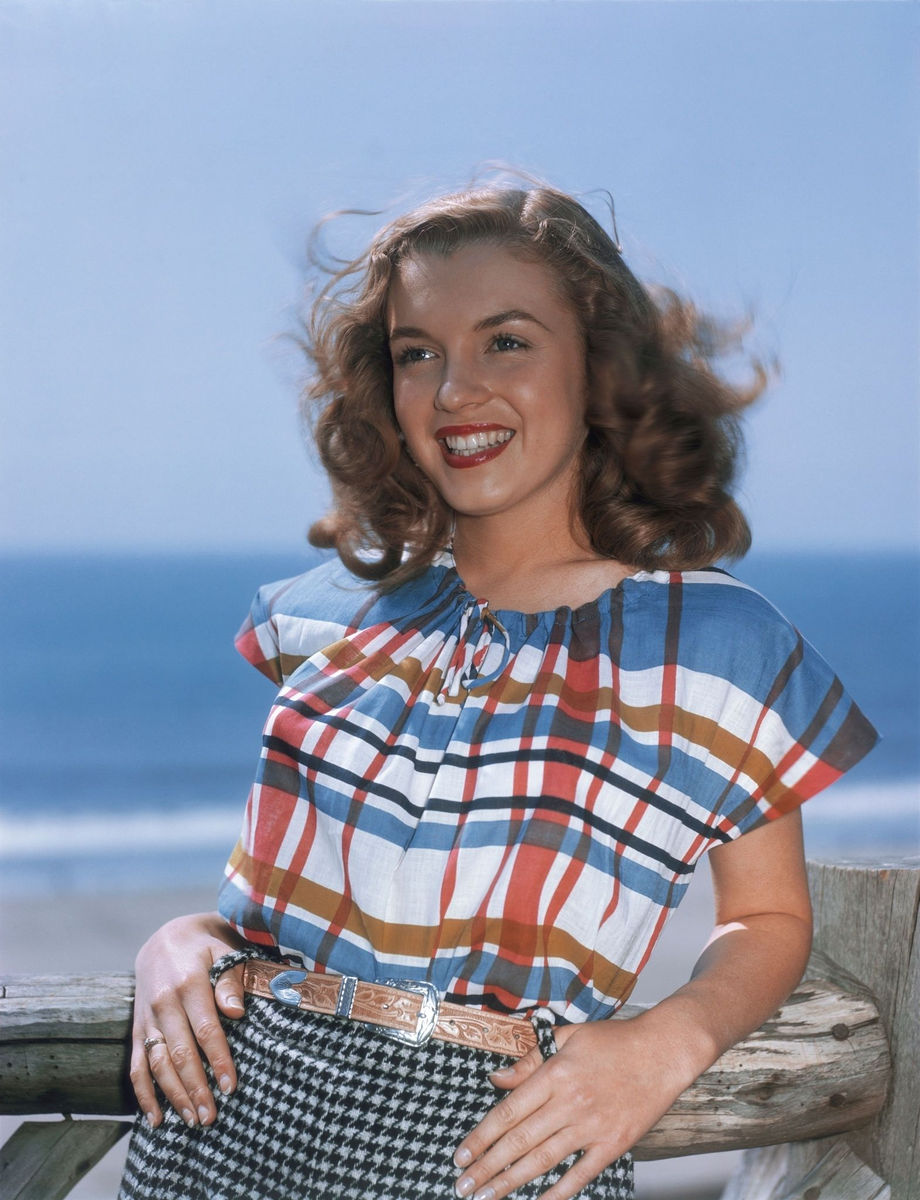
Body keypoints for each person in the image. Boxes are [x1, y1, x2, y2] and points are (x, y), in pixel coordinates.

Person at [118, 173, 881, 1200]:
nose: (452, 391)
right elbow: (283, 894)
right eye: (416, 353)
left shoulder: (716, 648)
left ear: (599, 365)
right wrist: (181, 939)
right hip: (225, 1120)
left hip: (499, 1144)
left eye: (505, 342)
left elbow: (770, 919)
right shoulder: (333, 611)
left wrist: (665, 1043)